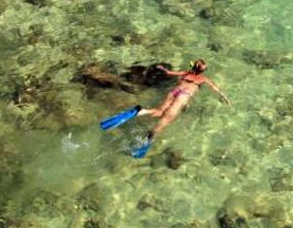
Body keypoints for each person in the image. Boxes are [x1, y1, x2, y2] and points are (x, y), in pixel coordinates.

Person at [98, 59, 229, 158]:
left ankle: (139, 111)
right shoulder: (203, 79)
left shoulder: (186, 73)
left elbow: (170, 72)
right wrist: (224, 97)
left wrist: (162, 68)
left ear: (193, 66)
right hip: (183, 96)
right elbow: (215, 88)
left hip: (175, 91)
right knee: (164, 121)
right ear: (202, 71)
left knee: (158, 111)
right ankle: (148, 139)